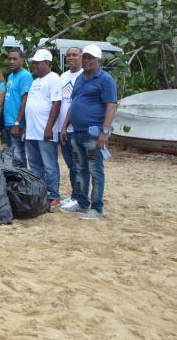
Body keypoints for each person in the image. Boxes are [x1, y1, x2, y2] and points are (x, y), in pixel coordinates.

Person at [60, 45, 117, 220]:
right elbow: (73, 103)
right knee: (80, 169)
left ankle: (97, 208)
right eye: (85, 57)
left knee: (95, 170)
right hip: (77, 132)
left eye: (91, 58)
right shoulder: (80, 78)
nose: (86, 61)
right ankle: (83, 204)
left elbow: (110, 106)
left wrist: (105, 132)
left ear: (99, 61)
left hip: (94, 133)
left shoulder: (105, 79)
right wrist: (64, 126)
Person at [23, 49, 62, 207]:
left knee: (49, 164)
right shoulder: (35, 81)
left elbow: (56, 103)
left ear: (47, 63)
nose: (35, 66)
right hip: (32, 131)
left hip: (44, 131)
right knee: (35, 164)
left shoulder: (53, 78)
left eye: (38, 63)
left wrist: (49, 128)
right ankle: (40, 192)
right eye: (34, 63)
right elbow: (30, 106)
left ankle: (54, 195)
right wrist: (26, 127)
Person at [57, 47, 84, 208]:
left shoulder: (83, 76)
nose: (71, 58)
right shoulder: (63, 76)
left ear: (81, 57)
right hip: (63, 129)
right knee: (70, 164)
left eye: (74, 55)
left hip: (75, 129)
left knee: (78, 165)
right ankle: (74, 194)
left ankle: (78, 197)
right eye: (68, 55)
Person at [3, 48, 33, 168]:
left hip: (17, 125)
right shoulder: (11, 76)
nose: (11, 61)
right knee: (11, 158)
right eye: (10, 58)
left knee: (18, 157)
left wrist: (17, 123)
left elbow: (25, 101)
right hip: (8, 123)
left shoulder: (25, 76)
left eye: (15, 59)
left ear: (22, 60)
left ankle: (22, 184)